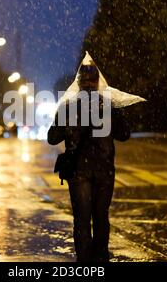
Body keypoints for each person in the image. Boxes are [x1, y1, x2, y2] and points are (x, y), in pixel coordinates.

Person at [47, 62, 132, 262]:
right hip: (104, 170)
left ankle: (85, 263)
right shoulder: (109, 105)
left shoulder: (68, 107)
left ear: (78, 83)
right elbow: (124, 134)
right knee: (101, 217)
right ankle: (101, 259)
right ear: (98, 82)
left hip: (79, 171)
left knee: (82, 221)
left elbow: (52, 137)